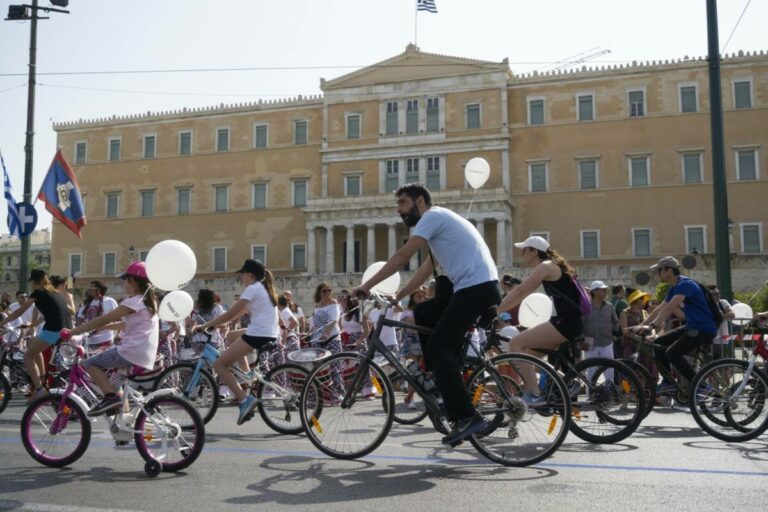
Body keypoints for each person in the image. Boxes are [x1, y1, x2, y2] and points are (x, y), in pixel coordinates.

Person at [355, 183, 500, 445]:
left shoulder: (433, 217)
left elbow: (402, 256)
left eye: (402, 203)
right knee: (422, 311)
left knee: (439, 346)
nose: (399, 210)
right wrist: (398, 297)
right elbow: (424, 270)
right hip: (475, 288)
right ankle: (441, 380)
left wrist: (366, 286)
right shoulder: (439, 224)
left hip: (475, 289)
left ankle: (468, 416)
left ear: (419, 200)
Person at [60, 262, 158, 416]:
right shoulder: (147, 303)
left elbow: (102, 319)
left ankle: (111, 399)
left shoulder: (133, 302)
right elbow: (126, 324)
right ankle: (123, 425)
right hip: (143, 354)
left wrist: (72, 331)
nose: (123, 284)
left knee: (89, 363)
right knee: (114, 385)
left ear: (132, 281)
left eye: (124, 281)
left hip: (130, 352)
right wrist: (105, 328)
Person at [192, 259, 280, 425]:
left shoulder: (252, 288)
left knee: (219, 365)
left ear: (250, 275)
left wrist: (205, 325)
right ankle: (247, 377)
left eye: (243, 274)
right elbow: (238, 314)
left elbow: (230, 313)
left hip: (258, 334)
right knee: (231, 336)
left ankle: (244, 400)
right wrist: (221, 324)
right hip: (268, 333)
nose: (241, 278)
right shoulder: (264, 289)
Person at [497, 236, 584, 400]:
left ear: (534, 251)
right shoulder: (552, 265)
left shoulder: (545, 266)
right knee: (527, 357)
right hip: (568, 322)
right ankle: (568, 381)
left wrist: (496, 308)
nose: (521, 254)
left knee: (515, 343)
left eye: (524, 250)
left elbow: (520, 290)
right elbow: (522, 294)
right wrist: (500, 309)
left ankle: (534, 394)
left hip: (565, 323)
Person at [631, 256, 718, 394]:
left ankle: (701, 386)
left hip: (703, 329)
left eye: (660, 270)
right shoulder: (674, 287)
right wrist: (640, 325)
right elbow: (660, 308)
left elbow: (670, 308)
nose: (657, 273)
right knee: (658, 344)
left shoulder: (685, 284)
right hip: (693, 327)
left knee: (672, 353)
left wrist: (652, 327)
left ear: (669, 271)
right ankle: (668, 382)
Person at [0, 270, 72, 401]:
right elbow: (51, 313)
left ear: (35, 282)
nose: (31, 285)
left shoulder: (38, 292)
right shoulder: (54, 292)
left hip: (54, 329)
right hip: (65, 328)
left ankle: (40, 389)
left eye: (31, 282)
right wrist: (32, 325)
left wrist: (3, 322)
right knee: (32, 342)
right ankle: (43, 380)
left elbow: (20, 311)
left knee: (28, 356)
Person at [581, 281, 619, 380]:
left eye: (605, 289)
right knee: (591, 370)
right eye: (601, 289)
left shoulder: (609, 306)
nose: (604, 291)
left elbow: (615, 321)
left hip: (607, 342)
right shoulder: (586, 307)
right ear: (594, 291)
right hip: (589, 343)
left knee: (609, 369)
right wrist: (581, 339)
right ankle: (591, 393)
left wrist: (614, 334)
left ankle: (610, 392)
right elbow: (581, 323)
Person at [620, 289, 657, 380]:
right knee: (632, 371)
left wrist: (652, 335)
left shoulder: (645, 312)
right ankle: (632, 392)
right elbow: (625, 331)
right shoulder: (624, 313)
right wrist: (638, 338)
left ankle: (647, 392)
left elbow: (651, 326)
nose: (644, 301)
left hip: (645, 346)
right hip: (630, 345)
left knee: (646, 370)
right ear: (636, 300)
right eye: (642, 298)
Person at [76, 280, 119, 355]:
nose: (89, 290)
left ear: (99, 290)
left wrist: (117, 335)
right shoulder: (87, 303)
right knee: (89, 364)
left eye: (92, 288)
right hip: (89, 341)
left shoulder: (110, 301)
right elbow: (80, 318)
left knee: (100, 364)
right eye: (89, 288)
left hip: (105, 340)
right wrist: (79, 333)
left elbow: (119, 319)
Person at [707, 285, 736, 359]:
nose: (717, 296)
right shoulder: (705, 305)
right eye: (714, 294)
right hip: (708, 340)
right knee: (709, 367)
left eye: (718, 293)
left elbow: (732, 314)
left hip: (722, 340)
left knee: (724, 366)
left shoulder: (722, 302)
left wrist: (718, 317)